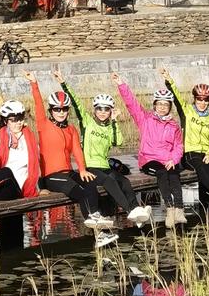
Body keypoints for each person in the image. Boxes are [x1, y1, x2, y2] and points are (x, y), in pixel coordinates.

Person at [55, 69, 151, 226]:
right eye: (99, 108)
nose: (102, 112)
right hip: (90, 166)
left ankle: (136, 210)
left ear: (110, 111)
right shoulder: (87, 122)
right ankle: (129, 210)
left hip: (104, 166)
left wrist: (114, 121)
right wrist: (63, 83)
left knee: (124, 181)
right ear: (95, 109)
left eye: (106, 109)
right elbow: (76, 102)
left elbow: (118, 142)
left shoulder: (109, 126)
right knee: (109, 180)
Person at [24, 70, 112, 232]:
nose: (61, 113)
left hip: (68, 172)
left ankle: (97, 221)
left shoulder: (71, 129)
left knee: (90, 183)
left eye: (64, 109)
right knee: (81, 192)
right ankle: (95, 224)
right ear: (51, 111)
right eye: (57, 109)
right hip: (51, 177)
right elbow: (38, 104)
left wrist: (83, 170)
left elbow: (77, 150)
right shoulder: (44, 125)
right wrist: (34, 83)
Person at [111, 71, 186, 226]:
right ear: (154, 105)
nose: (162, 107)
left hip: (168, 160)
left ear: (170, 107)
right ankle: (169, 210)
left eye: (166, 105)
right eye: (159, 104)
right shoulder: (145, 119)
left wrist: (174, 159)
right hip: (149, 159)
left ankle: (179, 210)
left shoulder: (173, 125)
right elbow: (132, 104)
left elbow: (179, 145)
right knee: (162, 172)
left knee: (174, 173)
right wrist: (121, 84)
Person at [159, 67, 209, 205]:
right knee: (201, 166)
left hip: (206, 153)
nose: (202, 103)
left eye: (205, 101)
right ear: (195, 99)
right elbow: (176, 96)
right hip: (190, 154)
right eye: (199, 100)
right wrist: (168, 79)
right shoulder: (187, 111)